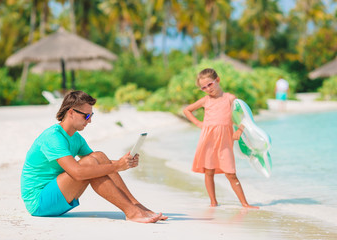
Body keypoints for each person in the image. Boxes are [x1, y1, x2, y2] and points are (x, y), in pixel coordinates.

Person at [21, 90, 167, 223]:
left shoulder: (75, 137)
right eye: (87, 115)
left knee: (99, 156)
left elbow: (100, 161)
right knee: (91, 163)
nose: (89, 120)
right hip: (39, 202)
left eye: (91, 115)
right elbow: (78, 173)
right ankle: (131, 211)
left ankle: (136, 206)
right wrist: (118, 166)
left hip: (57, 197)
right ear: (71, 112)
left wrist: (125, 162)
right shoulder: (53, 137)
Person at [183, 68, 259, 209]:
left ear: (217, 80)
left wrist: (240, 130)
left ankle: (244, 203)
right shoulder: (206, 100)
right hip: (208, 140)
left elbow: (244, 116)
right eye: (203, 87)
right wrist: (199, 123)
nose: (207, 89)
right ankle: (213, 201)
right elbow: (187, 110)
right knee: (209, 171)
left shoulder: (230, 98)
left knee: (230, 173)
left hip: (225, 141)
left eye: (209, 84)